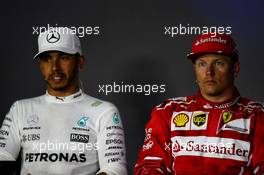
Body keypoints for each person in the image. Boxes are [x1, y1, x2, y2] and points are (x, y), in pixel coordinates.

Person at [0, 27, 127, 175]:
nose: (55, 67)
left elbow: (115, 169)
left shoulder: (104, 111)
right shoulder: (20, 109)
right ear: (41, 66)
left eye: (64, 57)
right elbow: (3, 156)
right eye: (47, 59)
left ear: (80, 62)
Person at [134, 33, 264, 175]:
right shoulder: (168, 111)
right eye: (202, 64)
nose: (209, 72)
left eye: (219, 63)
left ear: (235, 69)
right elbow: (150, 166)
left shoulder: (256, 115)